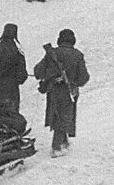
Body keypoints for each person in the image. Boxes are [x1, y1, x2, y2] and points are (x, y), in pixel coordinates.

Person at [34, 29, 90, 157]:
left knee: (56, 114)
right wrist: (75, 82)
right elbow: (84, 78)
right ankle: (57, 146)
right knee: (65, 115)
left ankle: (63, 142)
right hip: (69, 90)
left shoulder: (52, 53)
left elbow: (38, 71)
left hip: (53, 90)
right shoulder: (78, 55)